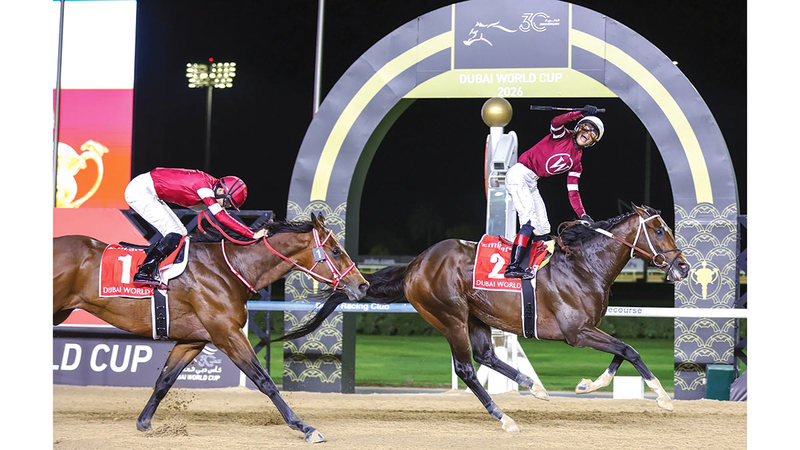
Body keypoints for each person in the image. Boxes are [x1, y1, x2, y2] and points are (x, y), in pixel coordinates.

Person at [504, 105, 604, 279]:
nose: (588, 134)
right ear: (578, 128)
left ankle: (533, 265)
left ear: (592, 142)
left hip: (532, 182)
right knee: (528, 221)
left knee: (543, 227)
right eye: (587, 128)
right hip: (519, 174)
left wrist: (582, 214)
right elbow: (556, 122)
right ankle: (513, 266)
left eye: (593, 134)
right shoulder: (562, 136)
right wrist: (579, 113)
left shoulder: (577, 162)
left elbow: (573, 191)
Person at [124, 167, 267, 287]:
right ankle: (143, 272)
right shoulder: (205, 187)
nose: (226, 206)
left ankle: (156, 266)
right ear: (221, 191)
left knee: (181, 233)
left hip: (149, 190)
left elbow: (220, 213)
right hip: (140, 191)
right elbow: (221, 216)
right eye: (227, 203)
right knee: (174, 232)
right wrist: (251, 234)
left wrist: (250, 232)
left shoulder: (211, 185)